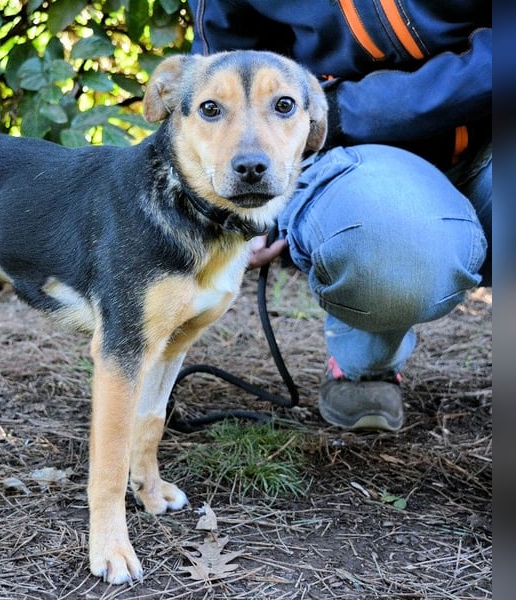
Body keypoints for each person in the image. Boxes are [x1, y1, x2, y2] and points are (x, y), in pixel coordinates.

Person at [189, 0, 491, 431]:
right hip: (357, 159)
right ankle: (367, 361)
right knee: (391, 240)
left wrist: (343, 109)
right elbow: (228, 72)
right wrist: (244, 202)